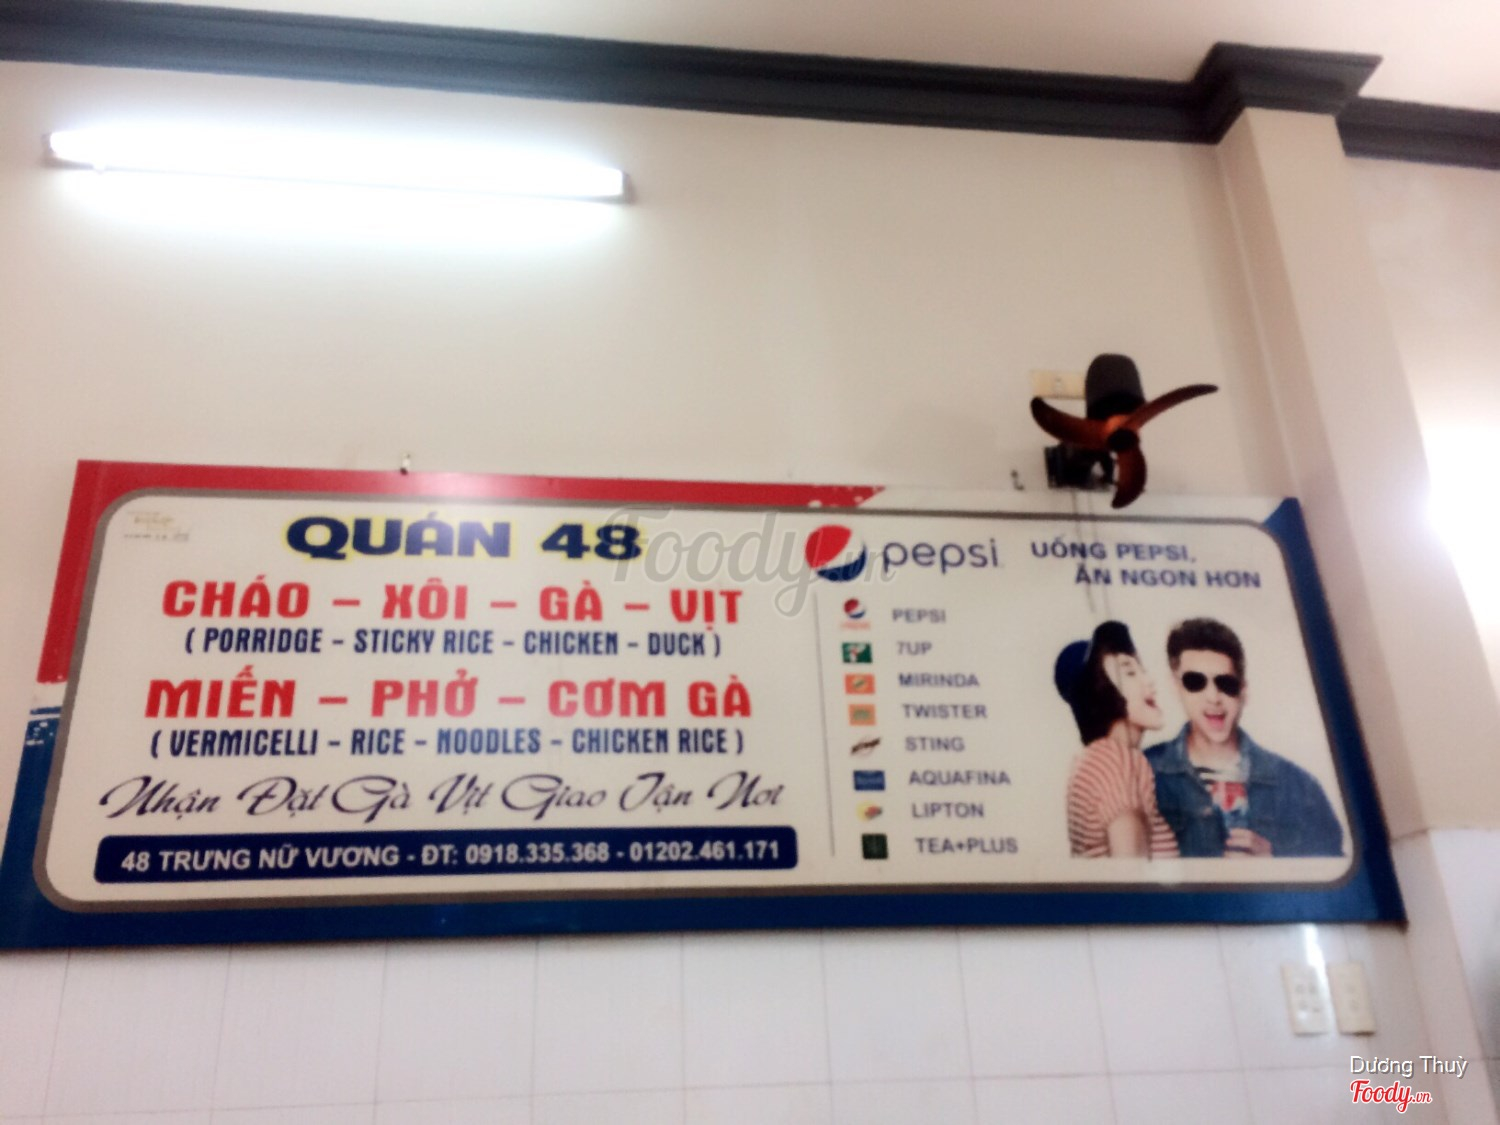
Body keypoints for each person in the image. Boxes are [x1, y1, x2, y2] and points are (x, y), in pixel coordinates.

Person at [1145, 618, 1343, 857]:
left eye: (1225, 683)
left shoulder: (1299, 788)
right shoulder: (1143, 774)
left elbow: (1337, 871)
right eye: (1195, 682)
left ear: (1243, 691)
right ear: (1176, 687)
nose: (1213, 697)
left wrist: (1275, 860)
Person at [1056, 621, 1179, 859]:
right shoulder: (1119, 762)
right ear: (1101, 690)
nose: (1149, 681)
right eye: (1130, 672)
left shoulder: (1093, 760)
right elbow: (1132, 875)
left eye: (1142, 669)